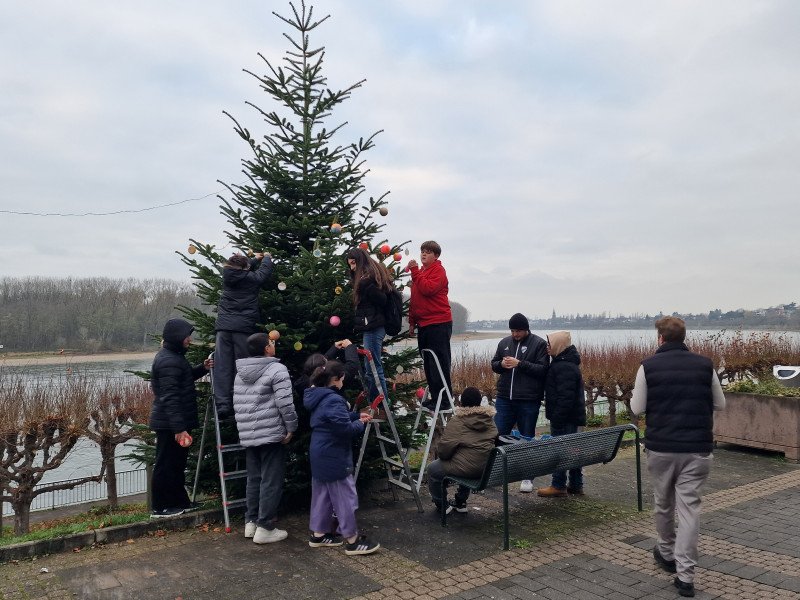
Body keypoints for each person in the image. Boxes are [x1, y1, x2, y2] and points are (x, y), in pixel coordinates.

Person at [631, 316, 726, 598]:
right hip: (697, 449)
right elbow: (720, 403)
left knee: (664, 504)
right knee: (689, 510)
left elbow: (637, 407)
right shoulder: (705, 365)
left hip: (661, 448)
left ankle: (666, 552)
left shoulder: (648, 366)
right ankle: (685, 576)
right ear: (684, 337)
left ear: (660, 338)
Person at [303, 360, 380, 555]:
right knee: (346, 497)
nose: (344, 382)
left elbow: (332, 420)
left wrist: (356, 416)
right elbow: (344, 430)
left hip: (319, 452)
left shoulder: (318, 395)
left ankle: (319, 535)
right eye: (343, 378)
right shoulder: (334, 399)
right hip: (333, 455)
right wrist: (360, 424)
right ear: (336, 379)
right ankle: (353, 541)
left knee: (322, 495)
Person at [233, 332, 298, 544]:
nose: (273, 344)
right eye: (271, 343)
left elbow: (238, 404)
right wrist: (291, 427)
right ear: (267, 349)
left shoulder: (240, 373)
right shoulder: (277, 369)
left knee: (254, 478)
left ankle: (251, 522)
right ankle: (266, 527)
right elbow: (285, 403)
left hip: (248, 433)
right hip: (270, 432)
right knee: (271, 480)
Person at [149, 318, 212, 518]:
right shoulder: (168, 361)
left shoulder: (174, 357)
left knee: (177, 464)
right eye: (187, 336)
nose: (189, 340)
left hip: (176, 422)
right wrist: (179, 429)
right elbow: (170, 397)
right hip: (170, 424)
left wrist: (202, 368)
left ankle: (179, 502)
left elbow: (183, 378)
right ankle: (160, 507)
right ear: (177, 337)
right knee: (165, 464)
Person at [490, 313, 548, 493]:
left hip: (528, 399)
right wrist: (501, 365)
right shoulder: (504, 343)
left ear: (526, 329)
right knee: (498, 436)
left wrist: (519, 364)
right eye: (513, 331)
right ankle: (496, 473)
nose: (515, 334)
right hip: (504, 398)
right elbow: (494, 364)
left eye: (518, 331)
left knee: (527, 437)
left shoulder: (539, 344)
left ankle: (527, 477)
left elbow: (543, 370)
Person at [213, 252, 273, 419]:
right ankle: (241, 401)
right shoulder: (250, 278)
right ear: (245, 268)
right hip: (243, 328)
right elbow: (262, 274)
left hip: (223, 328)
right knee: (243, 365)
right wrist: (266, 258)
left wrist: (254, 260)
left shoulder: (228, 275)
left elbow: (242, 270)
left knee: (222, 365)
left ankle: (223, 404)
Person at [427, 387, 498, 513]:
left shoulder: (458, 421)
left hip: (467, 469)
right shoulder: (489, 419)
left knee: (433, 469)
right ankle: (460, 502)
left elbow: (444, 451)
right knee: (467, 457)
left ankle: (442, 505)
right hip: (486, 467)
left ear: (462, 402)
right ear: (479, 401)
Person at [537, 331, 587, 498]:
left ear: (559, 345)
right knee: (573, 450)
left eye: (550, 344)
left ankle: (558, 485)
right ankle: (576, 484)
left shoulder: (563, 366)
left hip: (565, 419)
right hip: (573, 417)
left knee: (560, 451)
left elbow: (566, 397)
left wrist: (557, 418)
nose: (547, 347)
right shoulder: (568, 362)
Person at [408, 240, 453, 411]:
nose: (423, 254)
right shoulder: (420, 273)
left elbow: (428, 289)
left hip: (439, 322)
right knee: (428, 362)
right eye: (422, 251)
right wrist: (412, 322)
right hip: (424, 324)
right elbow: (415, 300)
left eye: (428, 252)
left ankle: (445, 400)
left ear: (436, 256)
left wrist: (414, 272)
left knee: (439, 363)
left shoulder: (439, 271)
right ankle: (436, 398)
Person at [346, 247, 393, 404]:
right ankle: (378, 404)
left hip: (374, 328)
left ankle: (380, 405)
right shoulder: (367, 277)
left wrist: (365, 285)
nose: (352, 267)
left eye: (354, 263)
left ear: (360, 261)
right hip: (371, 327)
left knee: (373, 369)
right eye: (350, 264)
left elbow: (382, 300)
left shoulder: (368, 279)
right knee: (371, 368)